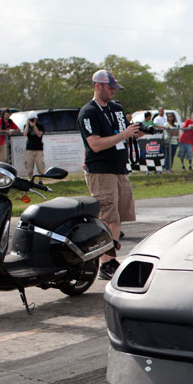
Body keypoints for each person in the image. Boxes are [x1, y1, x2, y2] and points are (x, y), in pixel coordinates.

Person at [79, 69, 142, 279]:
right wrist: (124, 134)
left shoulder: (116, 109)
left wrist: (134, 134)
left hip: (119, 169)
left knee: (119, 217)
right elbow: (95, 144)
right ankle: (105, 262)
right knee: (108, 217)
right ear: (98, 86)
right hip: (101, 170)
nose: (113, 91)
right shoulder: (88, 112)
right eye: (110, 87)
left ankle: (110, 259)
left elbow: (121, 138)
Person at [23, 114, 45, 182]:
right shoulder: (26, 126)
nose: (32, 120)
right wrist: (27, 124)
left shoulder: (40, 126)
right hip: (29, 149)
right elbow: (24, 134)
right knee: (29, 166)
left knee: (40, 166)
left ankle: (40, 181)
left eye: (33, 119)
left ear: (36, 119)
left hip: (39, 149)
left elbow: (39, 134)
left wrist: (34, 126)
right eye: (31, 119)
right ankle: (30, 180)